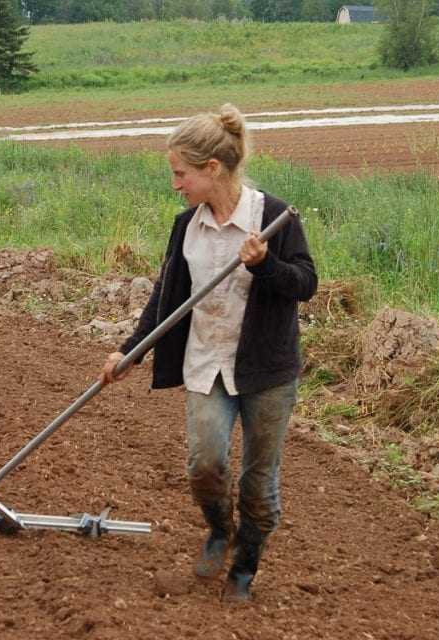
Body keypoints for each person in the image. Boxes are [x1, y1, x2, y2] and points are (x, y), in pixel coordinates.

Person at [101, 104, 317, 602]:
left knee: (259, 483)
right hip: (206, 364)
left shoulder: (272, 218)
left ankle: (245, 564)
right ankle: (220, 530)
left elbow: (305, 283)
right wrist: (128, 351)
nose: (176, 184)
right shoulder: (187, 226)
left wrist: (265, 265)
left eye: (181, 174)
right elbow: (166, 297)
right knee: (204, 466)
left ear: (211, 169)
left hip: (267, 373)